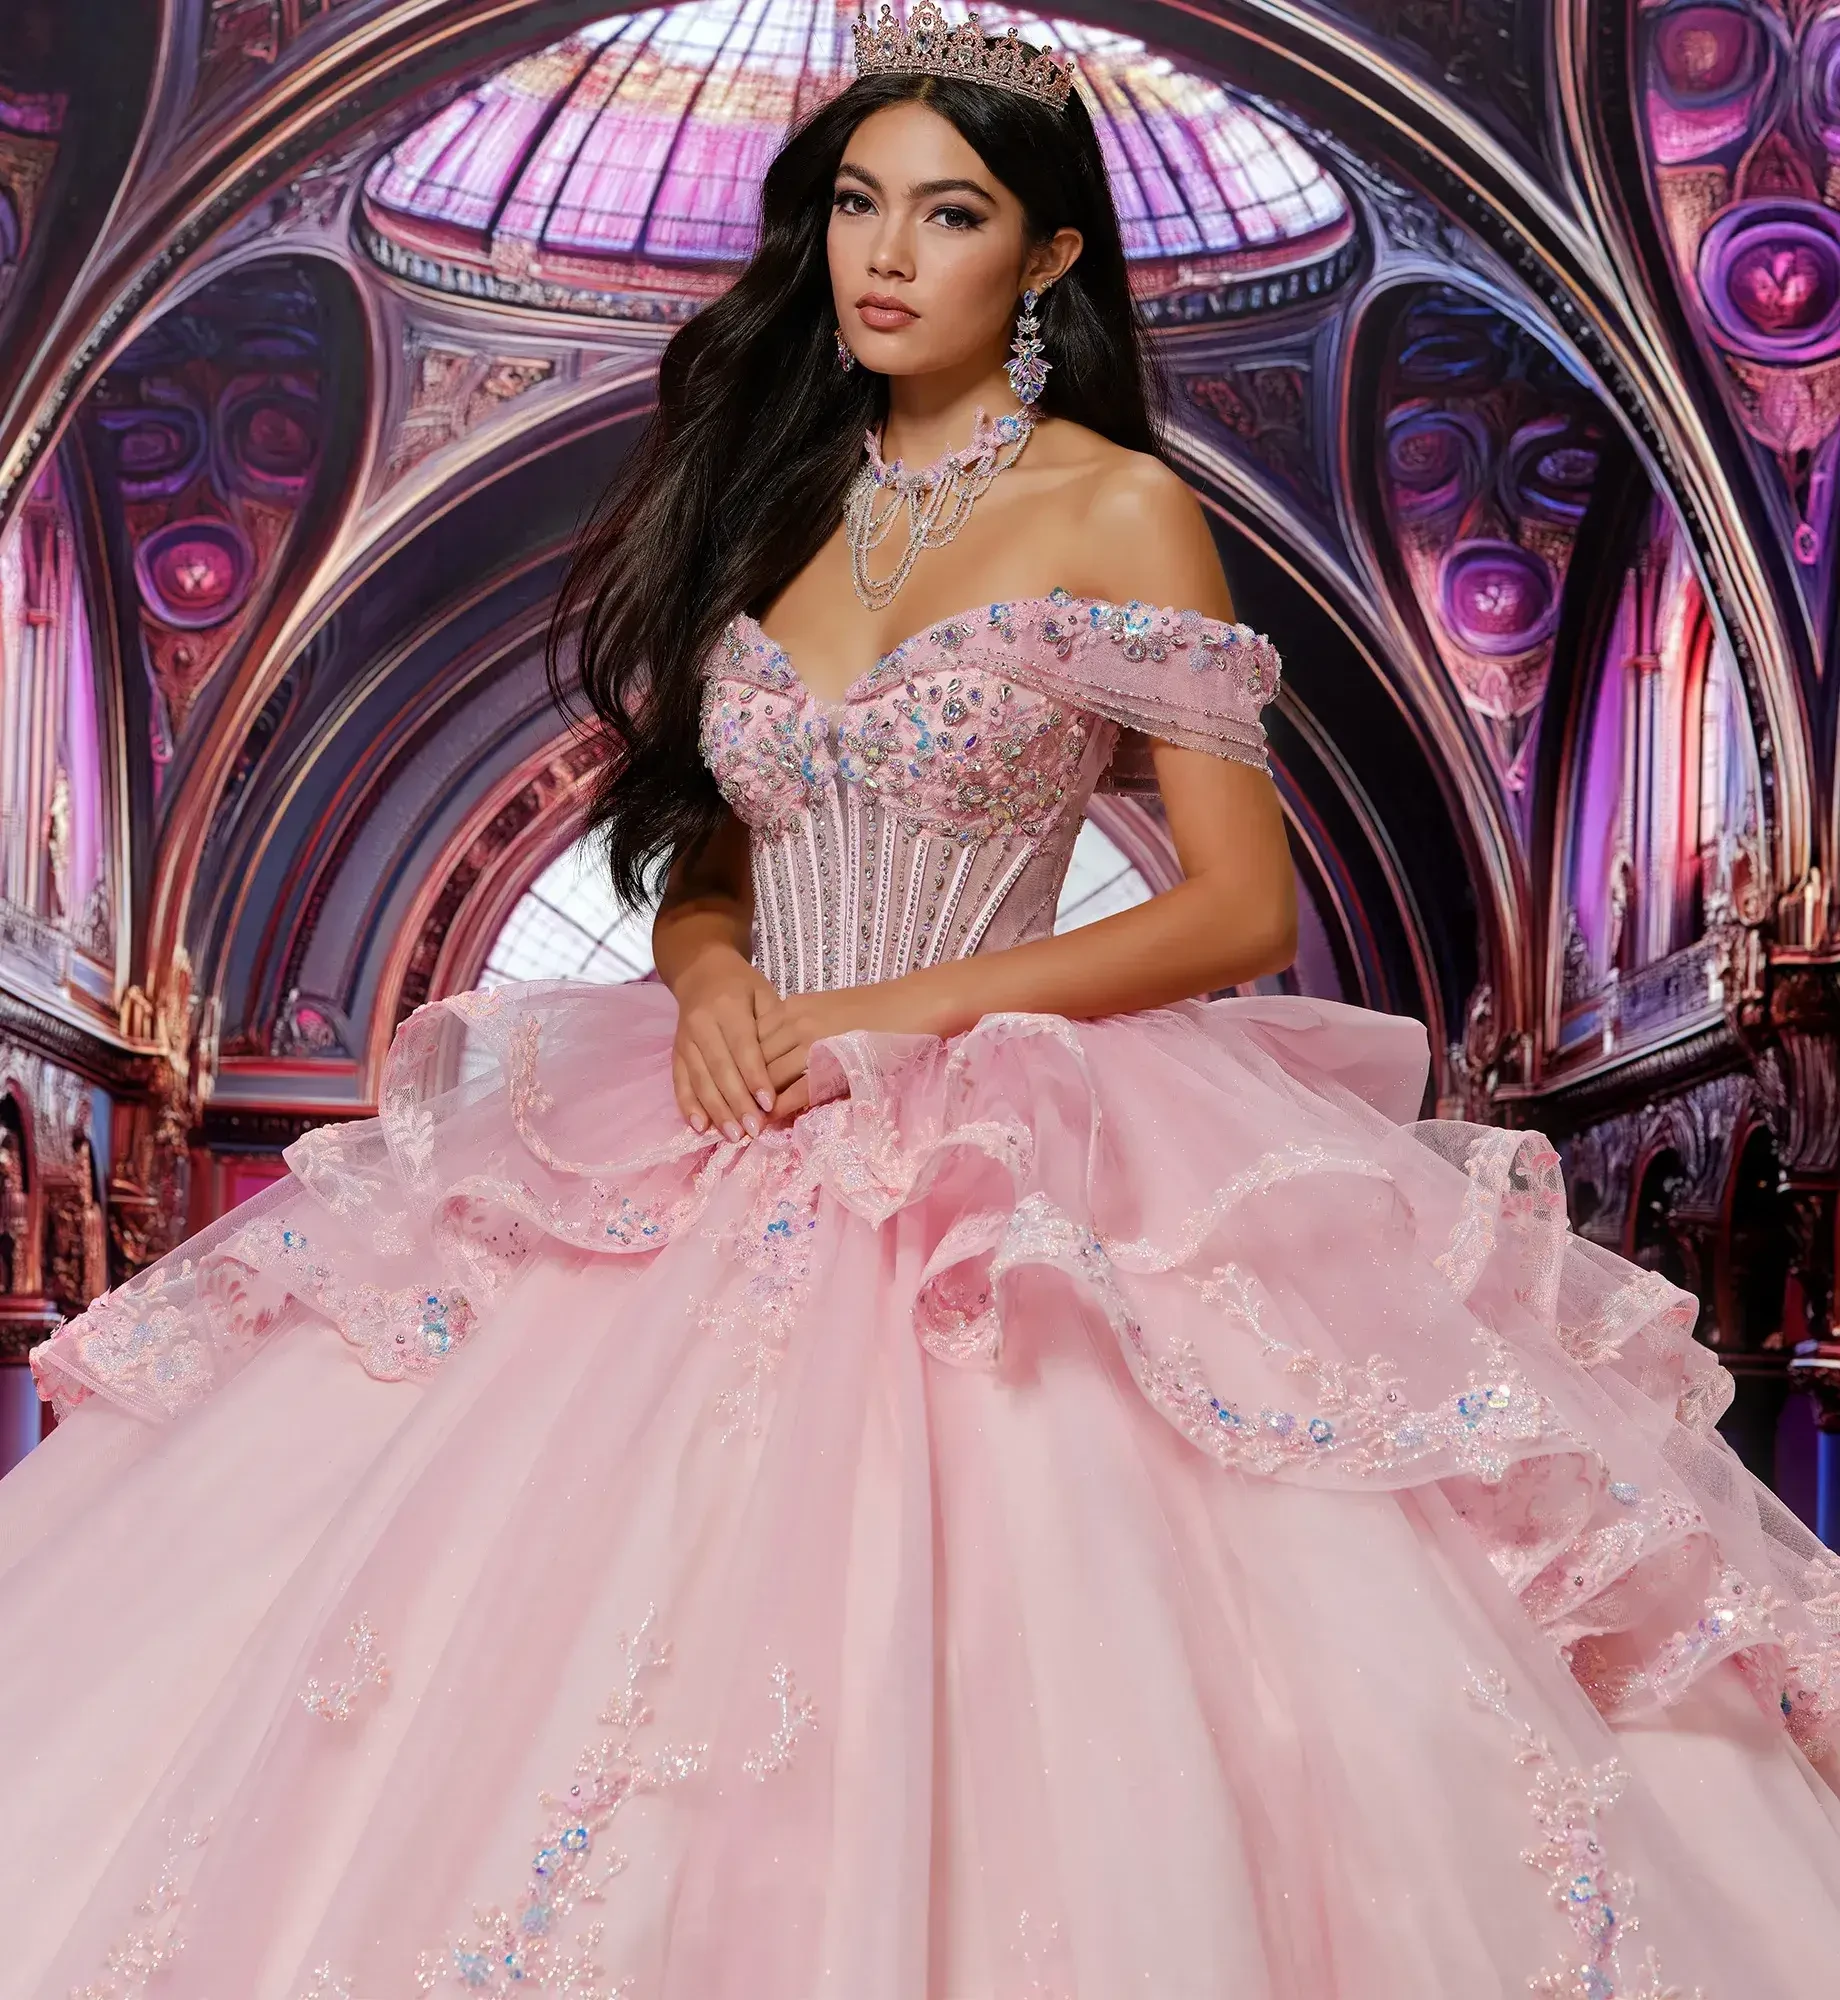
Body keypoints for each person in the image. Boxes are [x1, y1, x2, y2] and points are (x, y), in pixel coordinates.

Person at [3, 7, 1839, 1995]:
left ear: (1046, 254)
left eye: (949, 214)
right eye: (856, 205)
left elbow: (1235, 904)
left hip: (998, 1137)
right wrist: (712, 980)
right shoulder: (774, 493)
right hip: (721, 1112)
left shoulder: (1115, 507)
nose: (884, 256)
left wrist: (899, 1020)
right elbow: (707, 859)